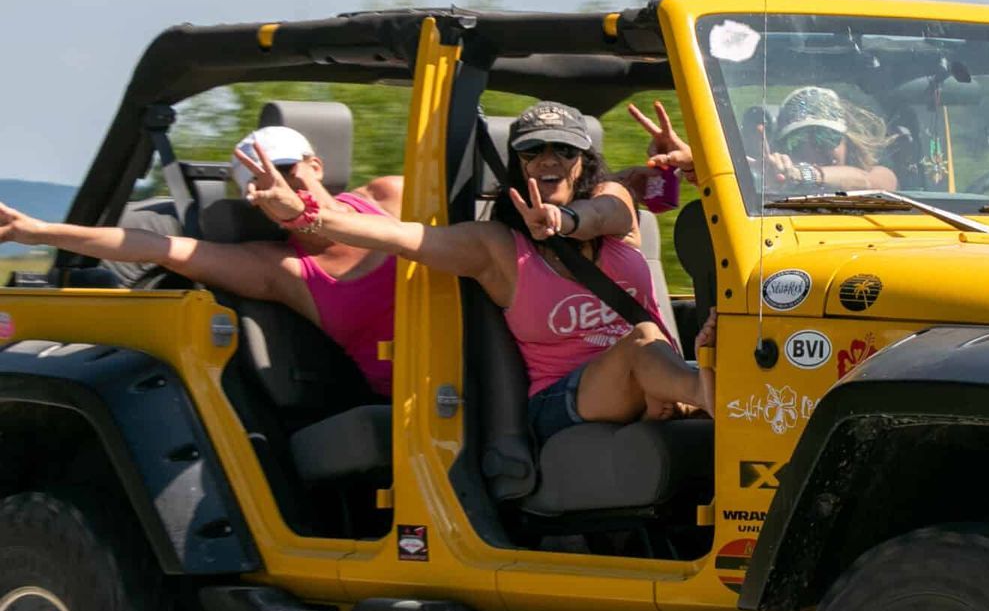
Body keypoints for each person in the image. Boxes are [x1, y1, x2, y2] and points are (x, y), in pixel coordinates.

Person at [237, 101, 711, 442]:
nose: (549, 160)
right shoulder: (494, 247)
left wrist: (563, 221)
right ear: (516, 164)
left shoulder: (614, 204)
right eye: (533, 151)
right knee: (645, 339)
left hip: (655, 372)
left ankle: (683, 398)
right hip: (565, 402)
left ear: (583, 162)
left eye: (564, 150)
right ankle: (718, 403)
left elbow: (606, 211)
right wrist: (301, 212)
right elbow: (401, 238)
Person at [0, 125, 405, 396]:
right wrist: (34, 231)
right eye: (259, 183)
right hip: (413, 396)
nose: (276, 186)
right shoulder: (280, 270)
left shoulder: (391, 198)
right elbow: (153, 246)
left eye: (283, 170)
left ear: (316, 165)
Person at [758, 86, 899, 193]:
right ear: (782, 150)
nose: (811, 152)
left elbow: (871, 182)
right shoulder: (772, 187)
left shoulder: (873, 174)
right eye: (796, 142)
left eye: (825, 137)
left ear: (848, 143)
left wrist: (803, 174)